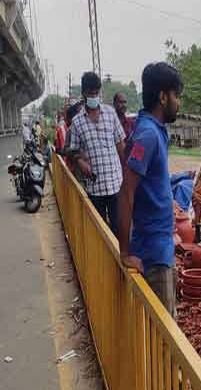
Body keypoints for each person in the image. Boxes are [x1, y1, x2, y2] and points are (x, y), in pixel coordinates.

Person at [118, 62, 183, 316]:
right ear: (163, 97)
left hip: (160, 245)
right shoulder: (147, 135)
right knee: (165, 337)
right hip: (154, 253)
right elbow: (126, 191)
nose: (178, 103)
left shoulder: (154, 131)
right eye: (176, 96)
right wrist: (124, 252)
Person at [69, 72, 127, 234]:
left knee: (119, 230)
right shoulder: (77, 122)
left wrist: (129, 174)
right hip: (95, 188)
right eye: (90, 93)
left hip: (116, 184)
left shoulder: (110, 113)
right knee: (99, 233)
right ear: (83, 94)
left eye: (96, 93)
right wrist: (81, 162)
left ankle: (119, 259)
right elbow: (73, 150)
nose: (94, 96)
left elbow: (121, 145)